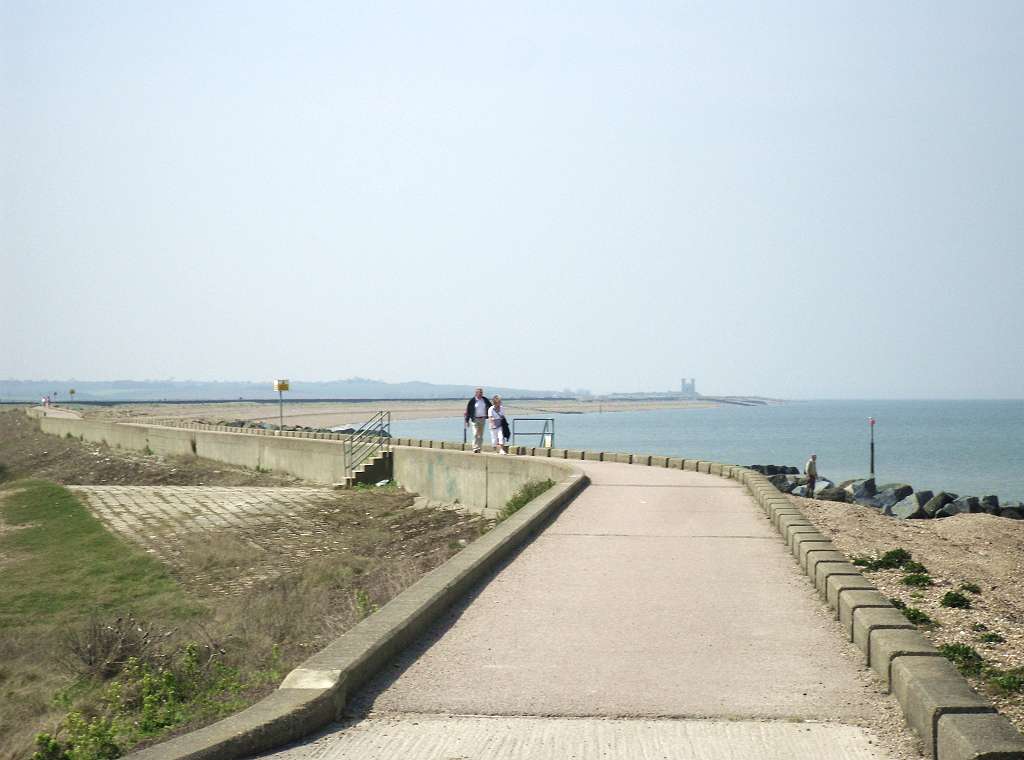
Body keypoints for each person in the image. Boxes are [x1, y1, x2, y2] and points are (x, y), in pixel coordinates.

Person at [464, 387, 491, 453]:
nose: (481, 394)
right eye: (479, 392)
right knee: (475, 433)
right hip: (475, 419)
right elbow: (468, 410)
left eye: (481, 392)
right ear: (476, 393)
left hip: (483, 418)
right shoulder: (472, 401)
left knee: (480, 435)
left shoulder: (485, 400)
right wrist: (467, 420)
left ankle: (479, 448)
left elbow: (491, 407)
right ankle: (475, 447)